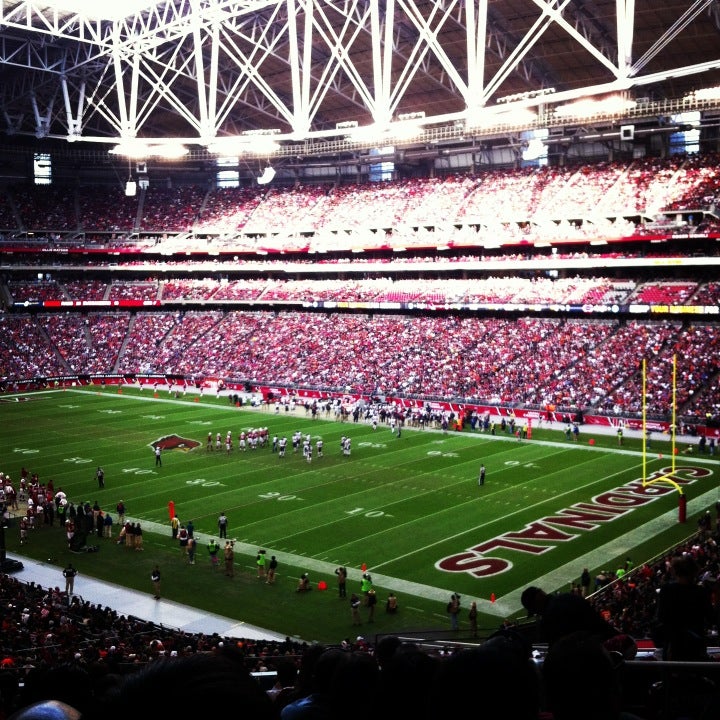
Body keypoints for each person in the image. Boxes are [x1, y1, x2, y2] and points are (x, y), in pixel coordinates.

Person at [520, 585, 634, 654]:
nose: (536, 613)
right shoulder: (567, 597)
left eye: (534, 609)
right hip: (612, 641)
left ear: (538, 600)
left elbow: (560, 649)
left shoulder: (549, 617)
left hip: (602, 651)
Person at [652, 554, 714, 660]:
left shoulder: (667, 590)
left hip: (674, 644)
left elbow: (661, 617)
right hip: (696, 643)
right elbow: (711, 617)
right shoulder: (701, 591)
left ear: (675, 571)